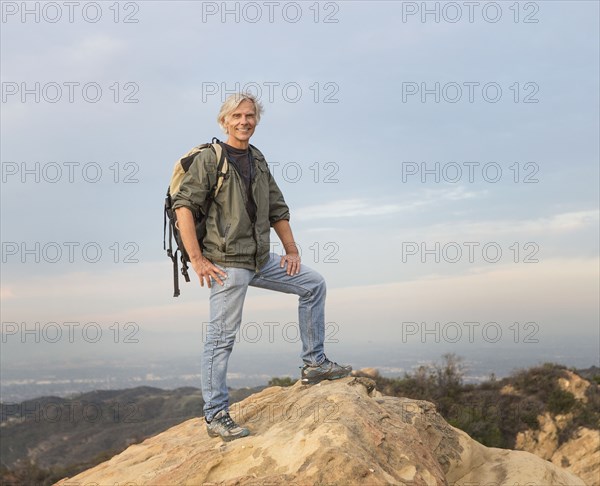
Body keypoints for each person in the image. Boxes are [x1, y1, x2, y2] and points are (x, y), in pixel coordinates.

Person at [172, 92, 351, 441]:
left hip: (259, 259)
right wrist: (198, 259)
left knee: (313, 284)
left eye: (250, 116)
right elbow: (183, 208)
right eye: (237, 116)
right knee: (221, 339)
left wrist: (292, 250)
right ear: (224, 121)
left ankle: (314, 364)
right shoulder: (212, 159)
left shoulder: (257, 159)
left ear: (256, 119)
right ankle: (215, 415)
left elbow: (277, 209)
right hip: (227, 263)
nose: (244, 122)